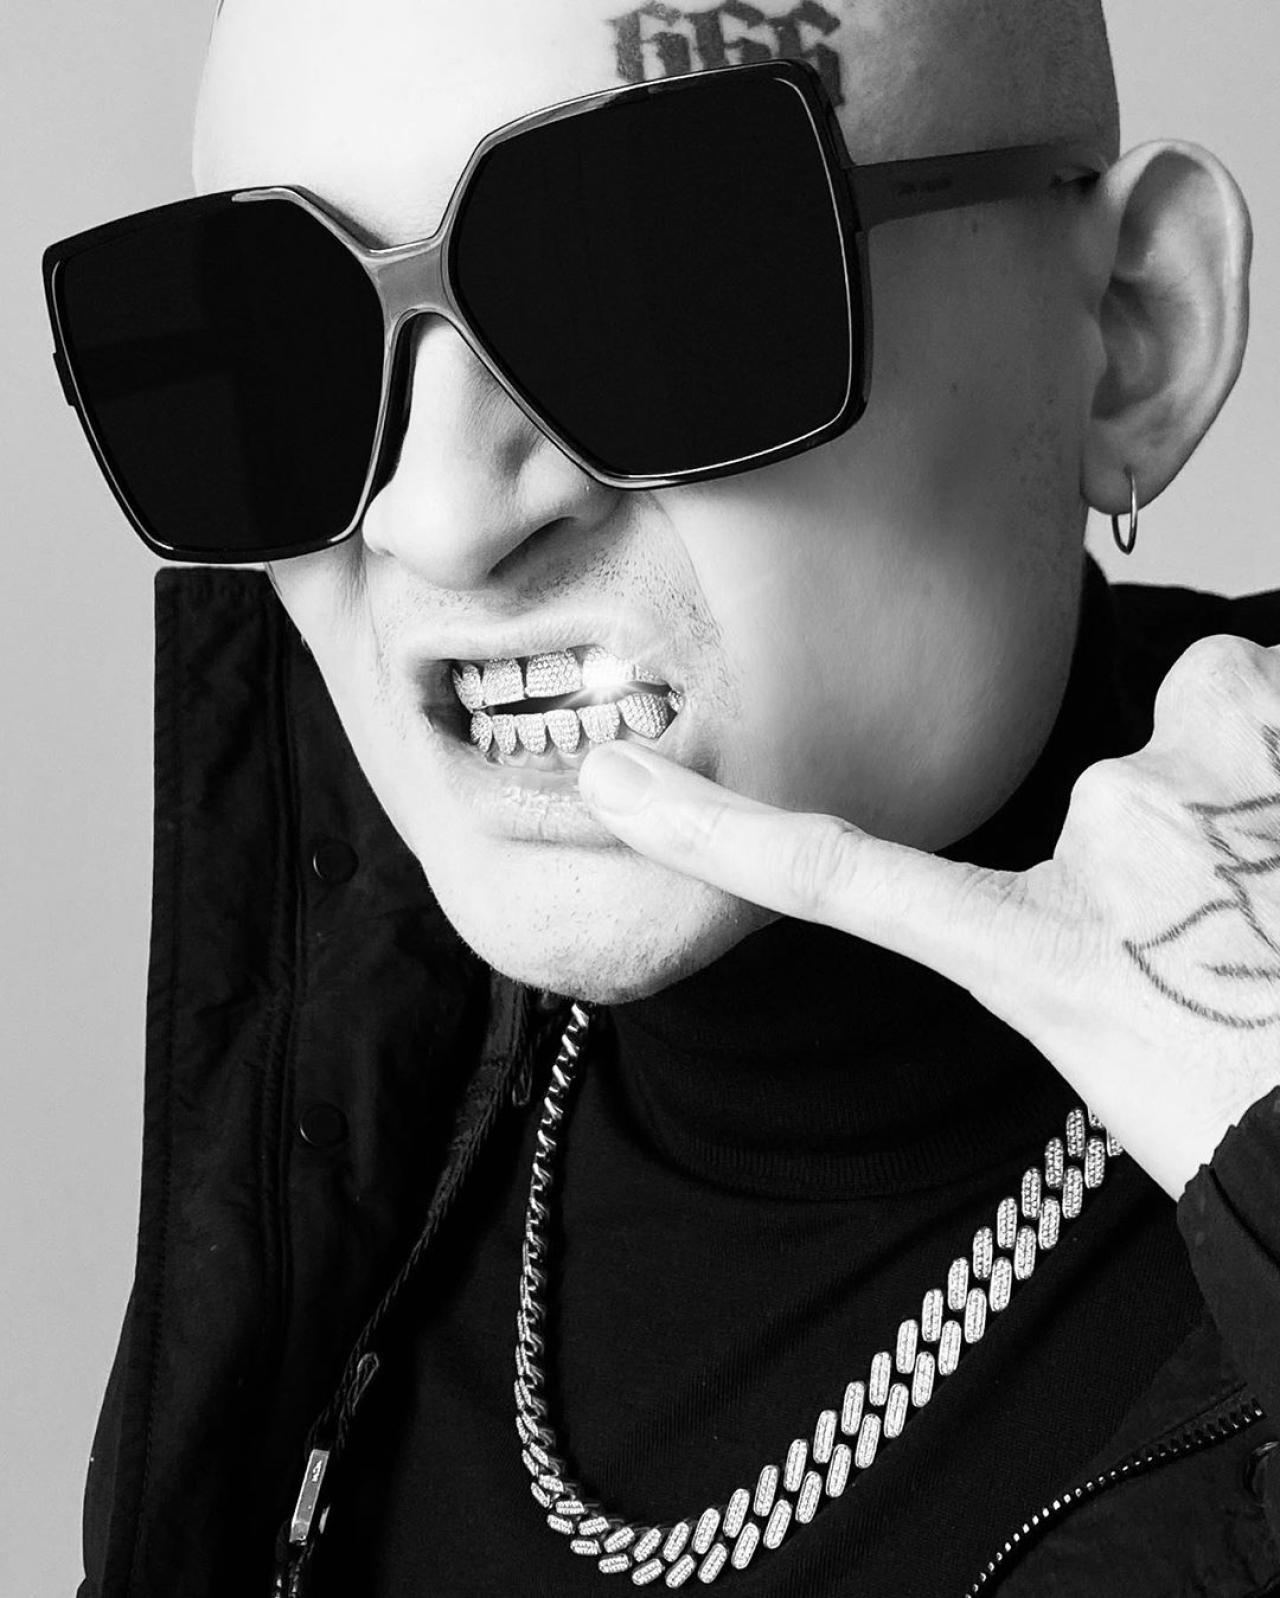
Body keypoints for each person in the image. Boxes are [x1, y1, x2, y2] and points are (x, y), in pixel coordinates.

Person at [48, 0, 1280, 1593]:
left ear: (1130, 332)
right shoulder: (329, 1131)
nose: (437, 519)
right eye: (285, 333)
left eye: (655, 273)